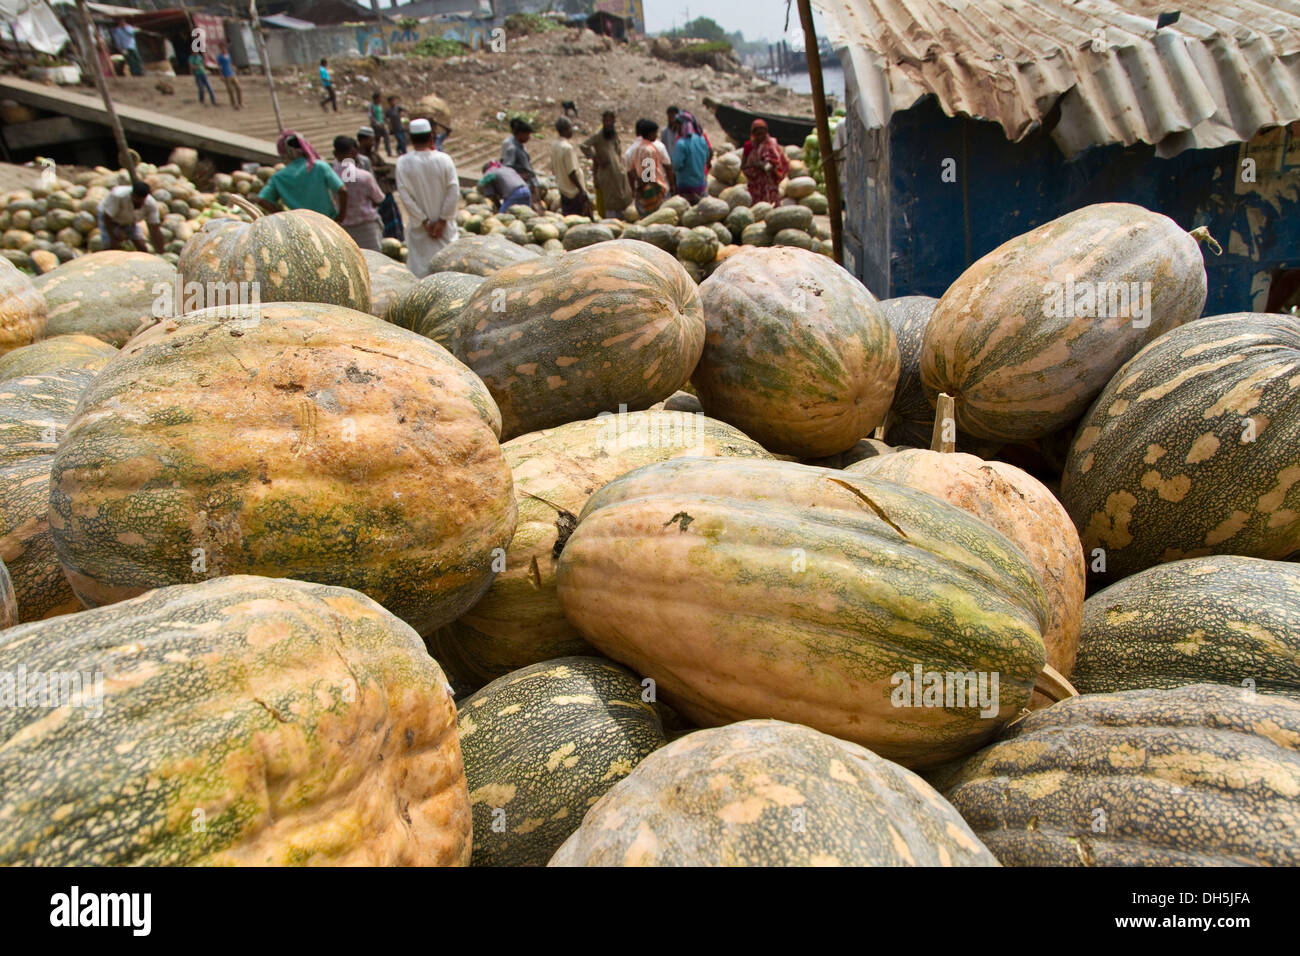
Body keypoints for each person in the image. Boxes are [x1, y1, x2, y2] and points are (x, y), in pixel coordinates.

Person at [396, 118, 459, 277]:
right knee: (449, 274)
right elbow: (453, 191)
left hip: (420, 232)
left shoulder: (403, 163)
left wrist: (425, 222)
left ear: (410, 139)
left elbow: (405, 197)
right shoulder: (444, 160)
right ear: (431, 136)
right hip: (445, 232)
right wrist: (442, 221)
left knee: (421, 278)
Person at [255, 131, 346, 220]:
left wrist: (281, 215)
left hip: (300, 226)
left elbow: (261, 200)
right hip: (326, 222)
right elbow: (343, 190)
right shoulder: (320, 166)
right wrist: (341, 216)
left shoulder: (279, 177)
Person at [331, 136, 385, 251]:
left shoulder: (330, 178)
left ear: (335, 153)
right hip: (367, 230)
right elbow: (379, 199)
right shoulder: (364, 176)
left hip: (342, 230)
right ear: (354, 152)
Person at [581, 110, 634, 219]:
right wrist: (595, 158)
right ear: (603, 122)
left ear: (614, 121)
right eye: (606, 120)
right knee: (611, 202)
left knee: (624, 198)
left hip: (619, 172)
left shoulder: (614, 135)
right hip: (607, 174)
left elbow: (618, 152)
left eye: (611, 120)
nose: (608, 123)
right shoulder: (598, 136)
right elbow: (584, 146)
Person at [358, 126, 404, 241]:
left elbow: (386, 168)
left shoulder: (374, 155)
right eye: (370, 140)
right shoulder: (357, 158)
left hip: (384, 193)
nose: (372, 143)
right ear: (362, 140)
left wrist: (375, 170)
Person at [97, 181, 165, 253]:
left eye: (140, 203)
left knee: (142, 248)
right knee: (111, 247)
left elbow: (154, 229)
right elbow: (107, 217)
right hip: (109, 217)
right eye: (136, 202)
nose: (138, 205)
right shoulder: (118, 196)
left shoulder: (151, 205)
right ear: (132, 195)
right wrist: (112, 238)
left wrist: (161, 251)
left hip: (129, 220)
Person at [624, 118, 673, 217]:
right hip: (652, 187)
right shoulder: (649, 150)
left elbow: (632, 170)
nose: (656, 136)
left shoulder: (638, 148)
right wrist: (645, 187)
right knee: (655, 216)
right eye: (655, 133)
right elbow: (648, 173)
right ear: (649, 134)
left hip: (644, 185)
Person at [742, 119, 789, 206]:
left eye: (762, 134)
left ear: (766, 132)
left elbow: (779, 164)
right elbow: (743, 166)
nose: (760, 137)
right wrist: (756, 165)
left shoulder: (772, 144)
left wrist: (768, 166)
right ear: (753, 133)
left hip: (770, 184)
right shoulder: (748, 146)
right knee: (757, 208)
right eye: (757, 134)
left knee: (772, 205)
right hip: (755, 185)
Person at [550, 116, 590, 216]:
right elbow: (571, 172)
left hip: (563, 191)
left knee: (568, 220)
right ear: (565, 130)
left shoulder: (555, 145)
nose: (571, 131)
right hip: (574, 194)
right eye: (570, 128)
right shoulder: (567, 148)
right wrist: (581, 190)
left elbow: (554, 169)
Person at [501, 119, 540, 207]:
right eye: (527, 135)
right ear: (520, 134)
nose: (529, 138)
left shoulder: (521, 147)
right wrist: (519, 175)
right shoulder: (512, 148)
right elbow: (507, 168)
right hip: (519, 188)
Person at [671, 120, 710, 205]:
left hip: (685, 187)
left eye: (677, 126)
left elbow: (676, 165)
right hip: (700, 185)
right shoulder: (702, 139)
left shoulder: (681, 143)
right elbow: (707, 156)